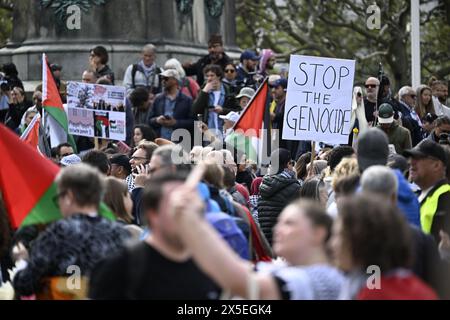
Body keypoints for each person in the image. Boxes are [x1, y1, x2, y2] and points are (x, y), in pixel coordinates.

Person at [171, 189, 344, 300]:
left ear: (318, 233)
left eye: (289, 223)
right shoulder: (279, 268)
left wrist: (194, 223)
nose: (278, 229)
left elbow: (244, 283)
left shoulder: (325, 279)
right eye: (280, 222)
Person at [88, 171, 222, 299]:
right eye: (178, 208)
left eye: (196, 208)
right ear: (153, 214)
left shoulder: (209, 266)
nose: (190, 216)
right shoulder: (120, 267)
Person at [12, 164, 130, 299]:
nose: (59, 205)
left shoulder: (59, 232)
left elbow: (25, 284)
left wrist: (21, 261)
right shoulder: (121, 233)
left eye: (58, 198)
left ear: (69, 196)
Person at [404, 140, 450, 243]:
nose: (411, 162)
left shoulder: (446, 197)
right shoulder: (418, 195)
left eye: (418, 158)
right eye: (411, 158)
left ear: (436, 165)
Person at [258, 148, 302, 245]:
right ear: (288, 164)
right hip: (284, 239)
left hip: (265, 238)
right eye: (291, 163)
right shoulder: (294, 187)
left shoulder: (264, 183)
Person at [148, 69, 194, 142]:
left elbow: (193, 122)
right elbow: (149, 120)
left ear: (175, 80)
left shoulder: (187, 100)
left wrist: (176, 123)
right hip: (160, 142)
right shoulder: (158, 99)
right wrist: (157, 120)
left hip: (179, 143)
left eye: (166, 79)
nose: (163, 81)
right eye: (162, 79)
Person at [192, 64, 239, 135]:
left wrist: (223, 110)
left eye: (212, 75)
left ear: (219, 76)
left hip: (225, 132)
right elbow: (195, 111)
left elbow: (237, 111)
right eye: (207, 76)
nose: (209, 78)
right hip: (207, 133)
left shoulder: (229, 90)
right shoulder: (203, 91)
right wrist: (205, 91)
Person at [103, 177, 143, 241]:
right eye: (129, 196)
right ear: (121, 200)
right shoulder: (131, 232)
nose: (131, 200)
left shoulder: (96, 228)